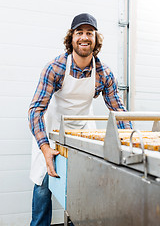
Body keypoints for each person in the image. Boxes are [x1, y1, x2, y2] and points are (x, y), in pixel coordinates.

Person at [28, 13, 132, 226]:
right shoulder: (55, 68)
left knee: (82, 190)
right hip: (53, 130)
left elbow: (118, 111)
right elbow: (36, 110)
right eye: (79, 32)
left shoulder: (103, 73)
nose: (84, 37)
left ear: (95, 39)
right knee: (42, 185)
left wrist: (130, 143)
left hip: (82, 129)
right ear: (71, 37)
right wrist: (46, 149)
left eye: (89, 33)